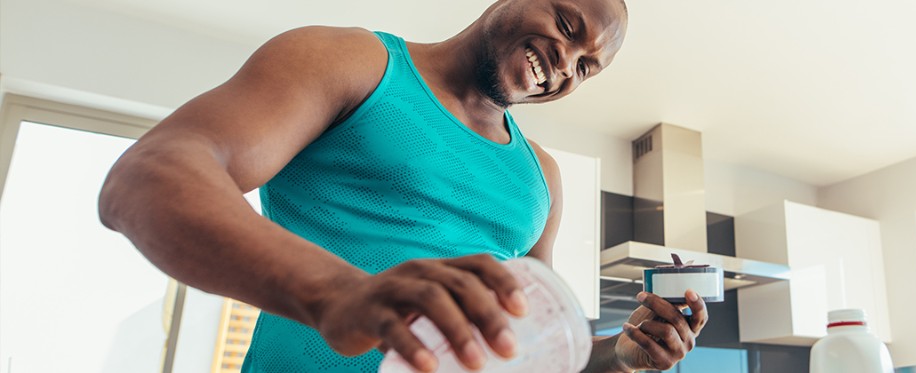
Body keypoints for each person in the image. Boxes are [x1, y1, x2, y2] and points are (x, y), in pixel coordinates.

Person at [97, 0, 708, 371]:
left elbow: (534, 348)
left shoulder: (542, 176)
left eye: (586, 67)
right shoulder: (353, 62)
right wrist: (338, 295)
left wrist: (624, 356)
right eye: (567, 24)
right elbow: (150, 178)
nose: (567, 64)